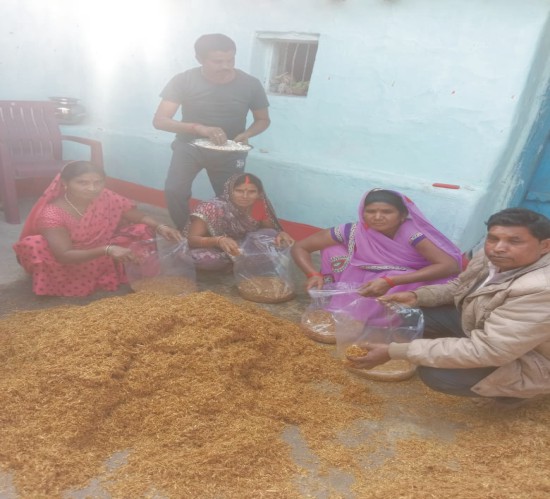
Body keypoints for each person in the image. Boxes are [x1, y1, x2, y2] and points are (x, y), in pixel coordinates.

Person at [347, 208, 550, 407]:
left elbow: (490, 349)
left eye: (515, 241)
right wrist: (417, 296)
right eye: (493, 238)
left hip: (530, 358)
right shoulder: (491, 257)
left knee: (438, 375)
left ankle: (517, 393)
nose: (498, 248)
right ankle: (447, 351)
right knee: (412, 313)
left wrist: (394, 351)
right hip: (489, 330)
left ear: (545, 246)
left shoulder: (540, 289)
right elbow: (460, 286)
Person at [153, 33, 271, 231]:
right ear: (199, 59)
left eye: (230, 60)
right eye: (218, 61)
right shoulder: (183, 80)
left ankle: (225, 237)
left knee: (232, 198)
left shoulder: (250, 83)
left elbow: (263, 119)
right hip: (189, 147)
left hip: (230, 150)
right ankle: (187, 233)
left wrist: (247, 134)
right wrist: (199, 128)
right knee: (175, 191)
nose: (226, 66)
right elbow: (160, 120)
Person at [13, 161, 182, 297]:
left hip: (104, 248)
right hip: (71, 261)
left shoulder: (105, 196)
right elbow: (64, 255)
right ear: (65, 183)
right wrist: (107, 250)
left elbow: (136, 215)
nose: (92, 188)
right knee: (34, 244)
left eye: (98, 182)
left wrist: (160, 226)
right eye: (82, 182)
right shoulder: (52, 214)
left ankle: (130, 272)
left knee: (143, 229)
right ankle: (64, 282)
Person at [291, 188, 463, 296]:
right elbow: (300, 247)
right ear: (362, 213)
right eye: (371, 211)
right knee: (332, 249)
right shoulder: (352, 230)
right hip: (375, 275)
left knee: (389, 276)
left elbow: (450, 266)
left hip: (408, 279)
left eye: (387, 212)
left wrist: (391, 281)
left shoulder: (413, 234)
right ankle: (342, 293)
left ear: (402, 215)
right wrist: (312, 274)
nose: (378, 217)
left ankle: (374, 308)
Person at [186, 173, 294, 271]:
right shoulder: (211, 208)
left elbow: (269, 231)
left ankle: (240, 263)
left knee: (273, 237)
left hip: (244, 247)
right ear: (229, 191)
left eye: (251, 192)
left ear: (259, 194)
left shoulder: (259, 205)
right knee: (198, 259)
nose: (245, 196)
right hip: (216, 249)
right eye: (239, 191)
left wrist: (281, 234)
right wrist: (218, 240)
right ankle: (241, 264)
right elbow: (191, 239)